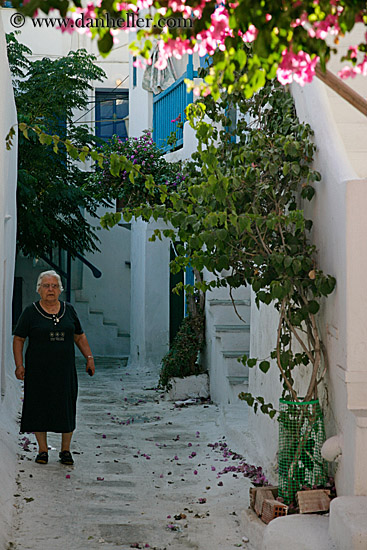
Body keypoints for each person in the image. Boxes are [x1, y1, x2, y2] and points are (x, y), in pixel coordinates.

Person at [13, 270, 95, 465]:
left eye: (54, 286)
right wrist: (19, 365)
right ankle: (42, 450)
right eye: (46, 286)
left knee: (66, 407)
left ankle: (65, 450)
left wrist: (89, 357)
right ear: (39, 290)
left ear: (60, 290)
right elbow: (19, 339)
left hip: (64, 371)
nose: (50, 289)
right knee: (38, 407)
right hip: (38, 371)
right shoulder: (30, 312)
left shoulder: (70, 310)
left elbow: (79, 336)